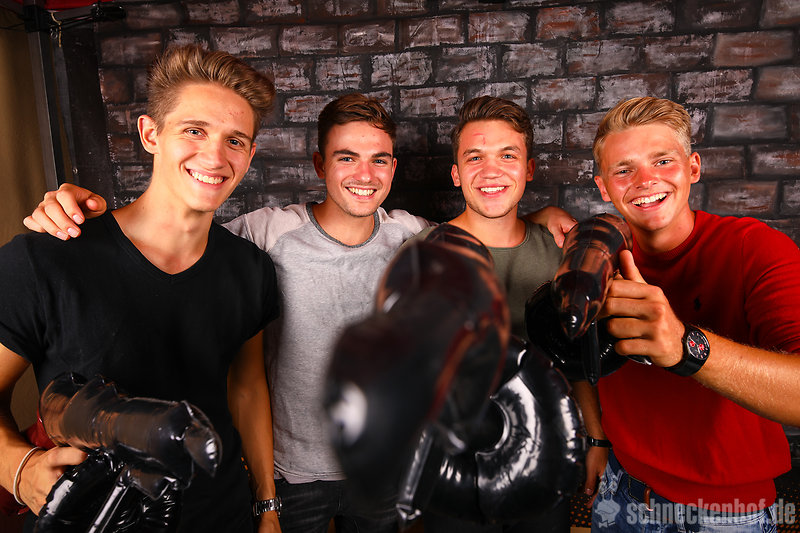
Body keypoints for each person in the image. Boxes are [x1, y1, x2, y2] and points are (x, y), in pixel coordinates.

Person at [23, 93, 575, 533]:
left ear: (393, 167)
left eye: (379, 159)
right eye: (346, 157)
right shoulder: (266, 233)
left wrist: (544, 217)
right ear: (319, 164)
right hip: (293, 476)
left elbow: (487, 221)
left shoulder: (412, 235)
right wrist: (79, 214)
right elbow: (172, 238)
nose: (364, 174)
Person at [0, 45, 281, 533]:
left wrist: (267, 506)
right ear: (151, 134)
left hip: (223, 517)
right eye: (194, 130)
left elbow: (247, 389)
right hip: (93, 521)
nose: (215, 156)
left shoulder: (251, 268)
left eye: (235, 140)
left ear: (250, 155)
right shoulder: (48, 257)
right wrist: (17, 469)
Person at [588, 96, 800, 532]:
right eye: (624, 170)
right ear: (604, 188)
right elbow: (577, 361)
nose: (645, 180)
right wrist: (597, 439)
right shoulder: (597, 259)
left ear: (693, 167)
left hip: (727, 513)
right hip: (621, 491)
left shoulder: (755, 249)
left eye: (663, 161)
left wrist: (687, 346)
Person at [410, 95, 595, 533]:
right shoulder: (420, 255)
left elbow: (577, 356)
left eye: (507, 155)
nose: (491, 171)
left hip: (544, 457)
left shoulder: (560, 251)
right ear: (456, 173)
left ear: (529, 169)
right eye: (475, 157)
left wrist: (595, 436)